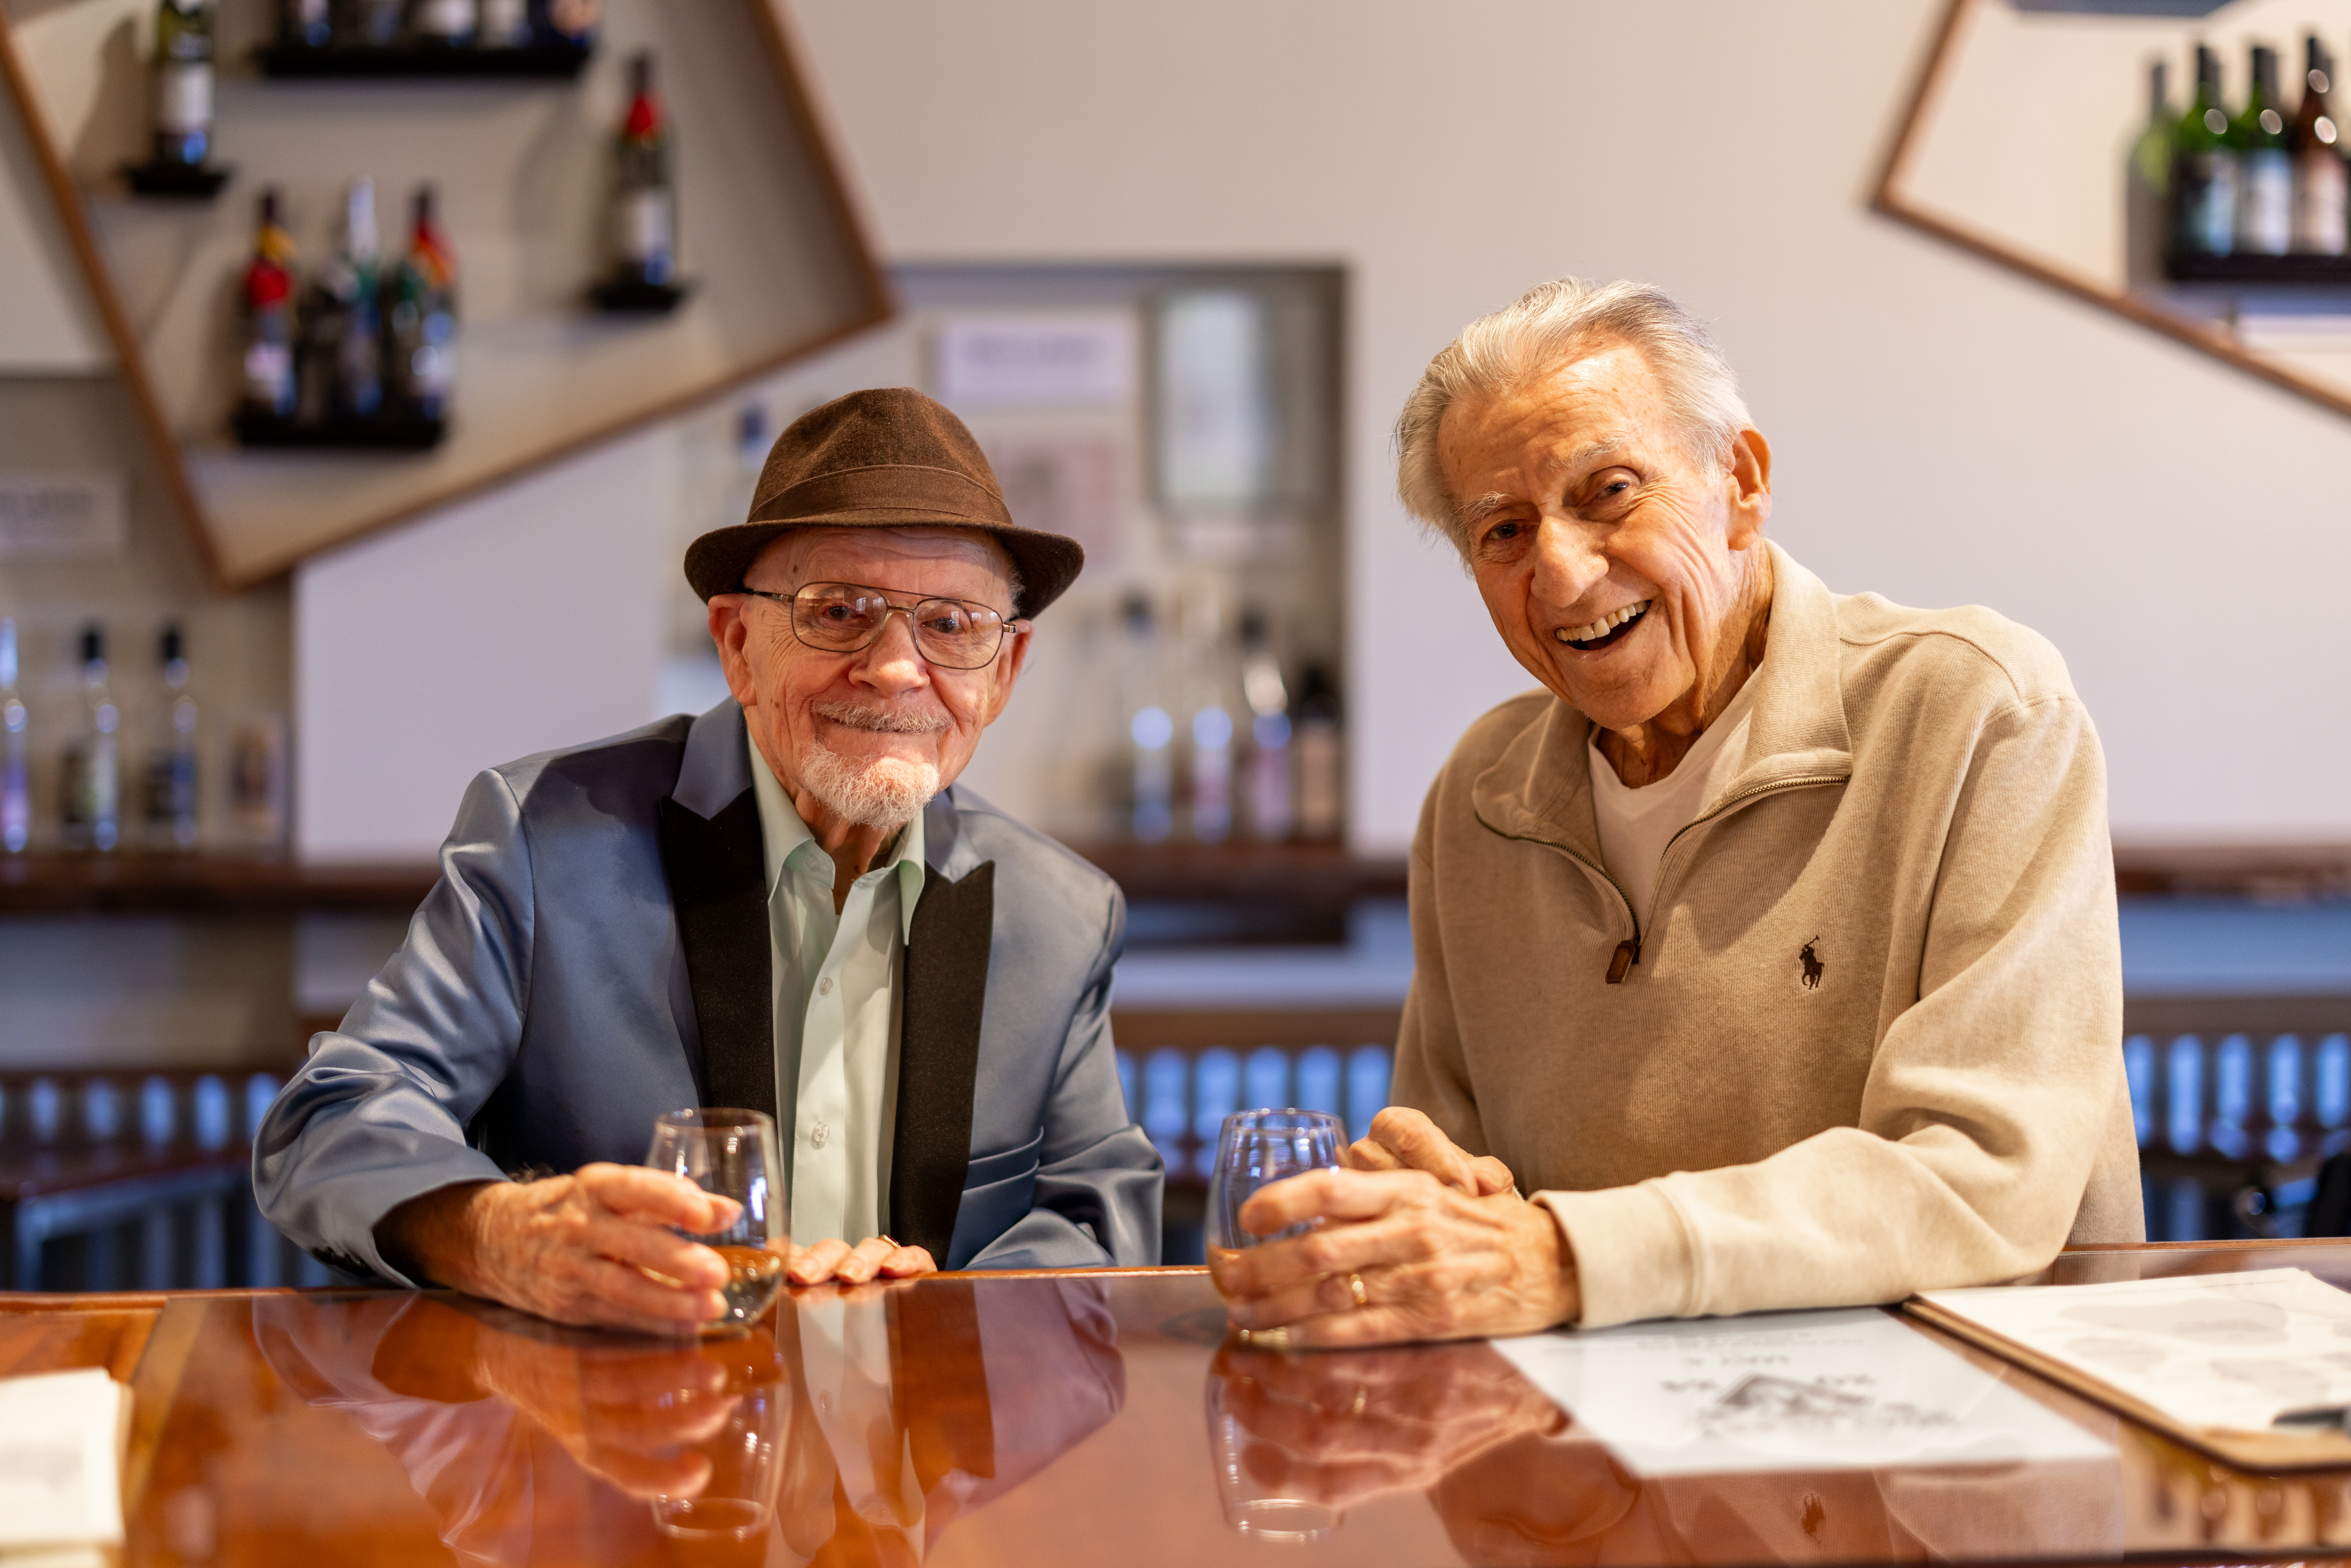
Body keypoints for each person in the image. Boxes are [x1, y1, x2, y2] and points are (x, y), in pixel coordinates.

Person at [1213, 278, 2140, 1344]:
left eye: (1608, 492)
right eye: (1502, 531)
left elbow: (1985, 1178)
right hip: (1591, 1464)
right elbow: (1454, 1171)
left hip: (1952, 1450)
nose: (1560, 575)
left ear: (1739, 482)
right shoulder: (1481, 794)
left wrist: (1566, 1259)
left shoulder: (1979, 711)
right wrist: (1427, 1213)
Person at [256, 388, 1161, 1336]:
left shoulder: (1059, 914)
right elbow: (330, 1121)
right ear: (737, 644)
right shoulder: (543, 844)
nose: (896, 669)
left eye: (950, 627)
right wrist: (501, 1236)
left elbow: (1095, 1210)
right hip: (610, 1436)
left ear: (1004, 672)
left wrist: (949, 1310)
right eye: (840, 611)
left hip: (918, 1470)